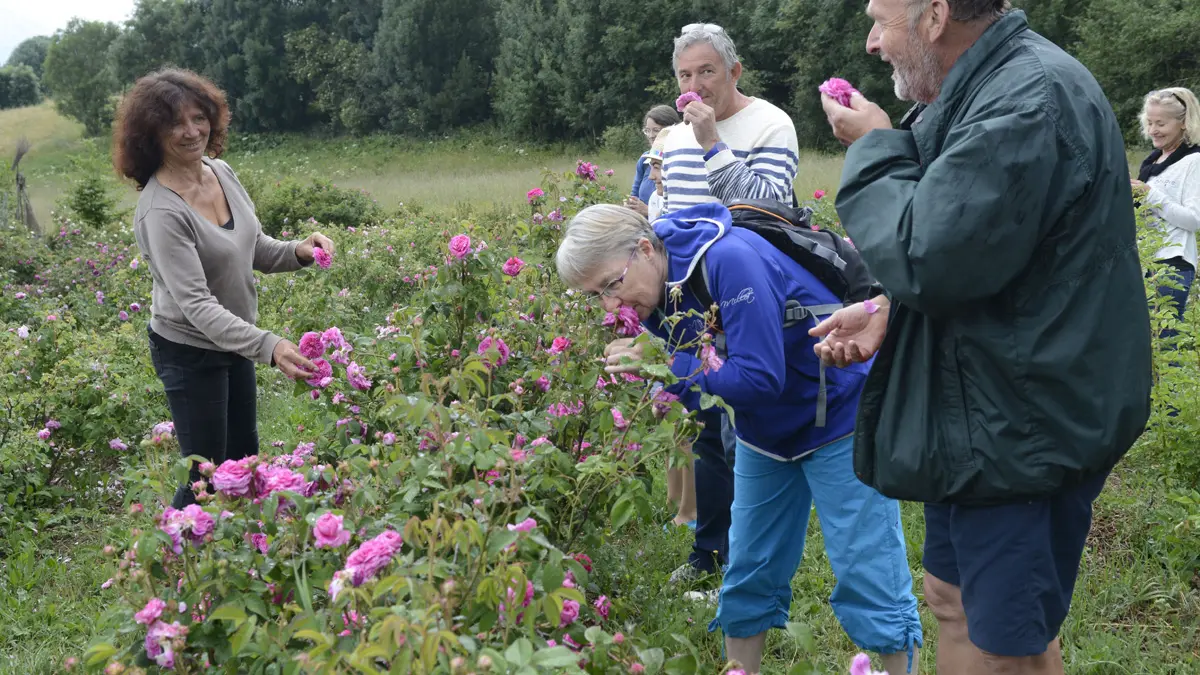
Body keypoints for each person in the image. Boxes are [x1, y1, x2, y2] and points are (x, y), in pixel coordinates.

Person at [815, 3, 1152, 674]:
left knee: (1004, 642)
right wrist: (890, 307)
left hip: (1023, 421)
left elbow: (928, 255)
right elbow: (991, 252)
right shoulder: (991, 88)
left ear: (936, 15)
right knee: (955, 599)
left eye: (883, 20)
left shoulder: (1025, 102)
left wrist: (876, 147)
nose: (871, 42)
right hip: (984, 407)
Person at [555, 203, 923, 675]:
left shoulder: (728, 260)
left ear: (645, 249)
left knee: (867, 573)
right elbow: (706, 392)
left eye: (611, 285)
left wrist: (666, 364)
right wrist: (661, 376)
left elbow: (761, 377)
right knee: (748, 574)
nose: (610, 305)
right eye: (595, 295)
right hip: (763, 433)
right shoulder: (650, 292)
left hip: (838, 419)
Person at [114, 68, 334, 508]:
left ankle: (238, 555)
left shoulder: (220, 172)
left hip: (234, 344)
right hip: (189, 352)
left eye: (199, 117)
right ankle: (176, 561)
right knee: (206, 474)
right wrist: (269, 345)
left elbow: (251, 246)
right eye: (174, 123)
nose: (191, 131)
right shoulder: (160, 211)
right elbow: (196, 304)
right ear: (151, 134)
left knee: (244, 461)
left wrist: (298, 251)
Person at [661, 23, 799, 214]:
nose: (694, 86)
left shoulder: (772, 125)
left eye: (706, 71)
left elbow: (769, 212)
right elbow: (669, 215)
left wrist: (712, 145)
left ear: (733, 72)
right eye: (685, 75)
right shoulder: (674, 137)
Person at [1131, 87, 1200, 336]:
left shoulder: (1194, 161)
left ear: (1183, 123)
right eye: (1149, 122)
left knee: (1165, 343)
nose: (1152, 130)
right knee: (1146, 344)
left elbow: (1193, 220)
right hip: (1145, 261)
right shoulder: (1152, 163)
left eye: (1161, 123)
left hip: (1172, 264)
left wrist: (1149, 194)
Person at [625, 105, 681, 217]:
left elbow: (678, 212)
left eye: (656, 130)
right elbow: (634, 195)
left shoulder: (680, 161)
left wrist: (649, 211)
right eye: (647, 130)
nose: (651, 136)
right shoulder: (644, 160)